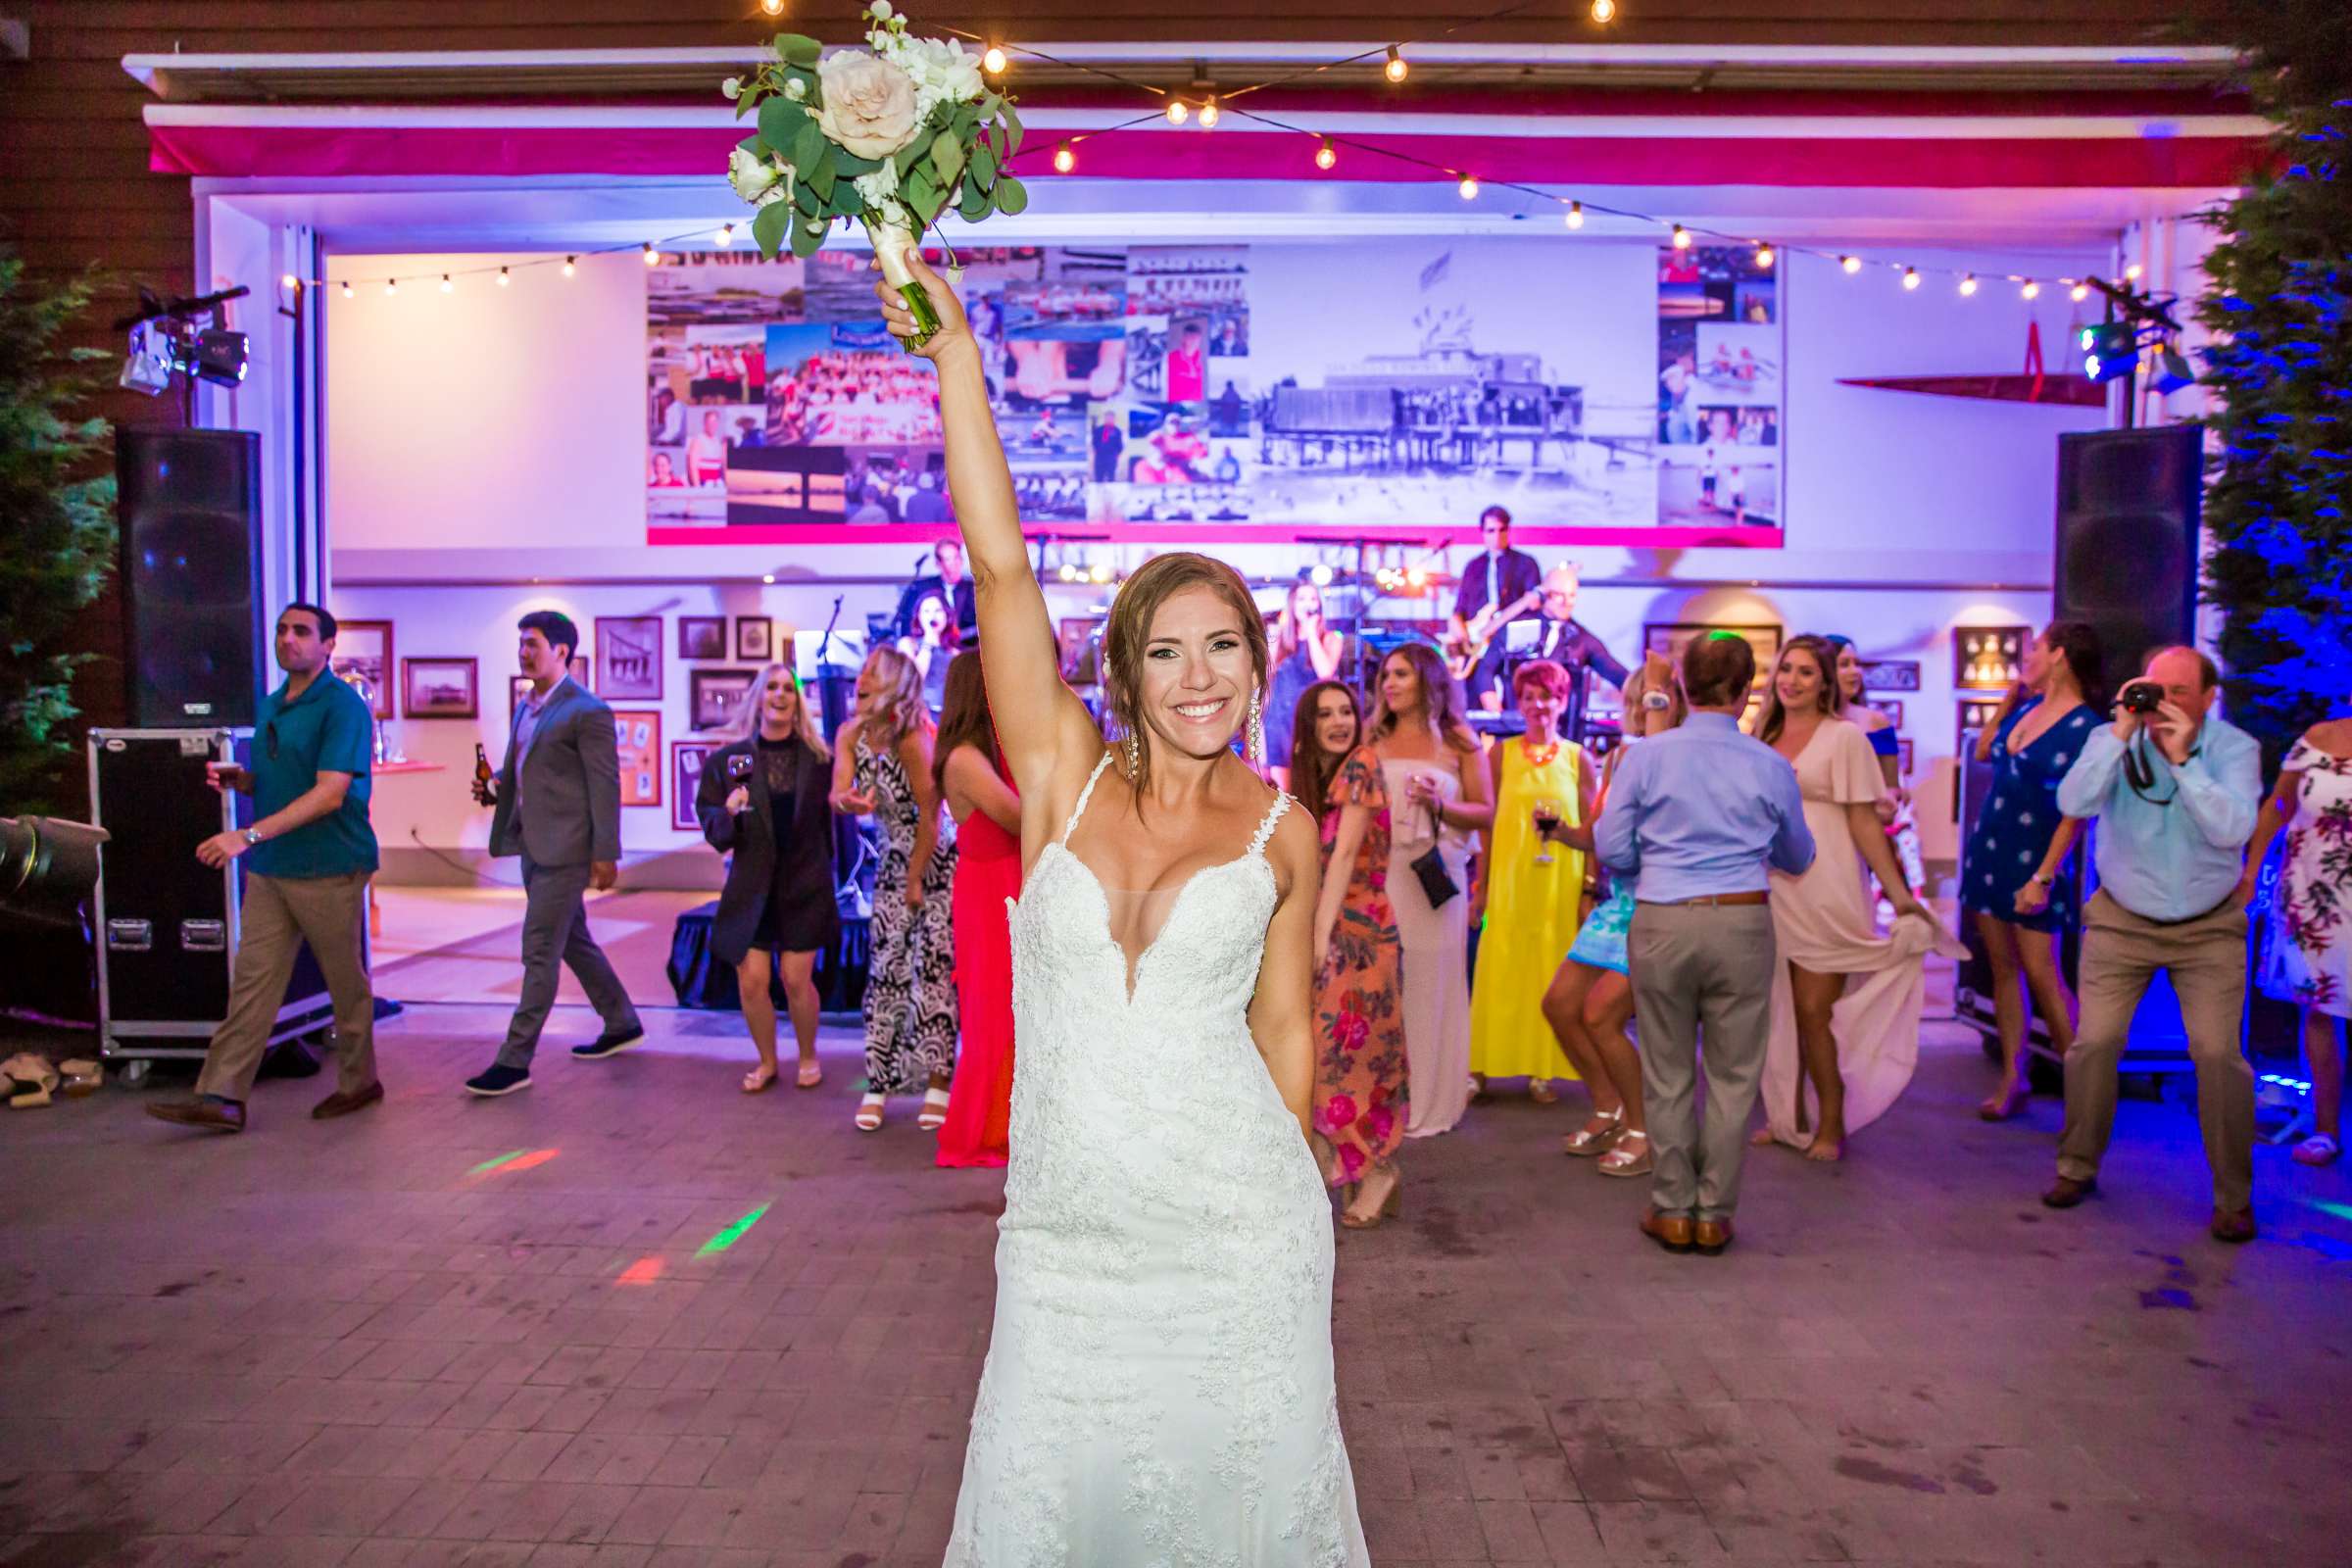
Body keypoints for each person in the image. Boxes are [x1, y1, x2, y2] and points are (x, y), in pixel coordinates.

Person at [876, 248, 1368, 1562]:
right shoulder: (1055, 784)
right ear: (1126, 671)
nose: (1197, 676)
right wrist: (958, 361)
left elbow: (1282, 1034)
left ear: (1260, 665)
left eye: (1223, 647)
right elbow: (1000, 573)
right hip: (1069, 1246)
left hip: (1242, 1240)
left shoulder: (1284, 831)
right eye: (1166, 650)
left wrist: (1304, 1182)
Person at [1596, 632, 1815, 1254]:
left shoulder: (1644, 757)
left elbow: (1612, 849)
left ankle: (1671, 1208)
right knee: (1733, 1073)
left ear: (1685, 688)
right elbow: (1797, 856)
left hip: (1663, 917)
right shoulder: (1770, 765)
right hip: (1743, 922)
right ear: (1748, 691)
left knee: (1666, 1069)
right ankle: (1713, 1213)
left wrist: (1653, 865)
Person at [2046, 647, 2262, 1243]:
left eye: (2179, 692)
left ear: (2208, 697)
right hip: (2121, 920)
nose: (2163, 702)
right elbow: (2073, 803)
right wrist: (2118, 734)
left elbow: (2233, 830)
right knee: (2095, 1044)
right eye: (2153, 688)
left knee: (2218, 1055)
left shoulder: (2234, 749)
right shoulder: (2112, 738)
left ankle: (2234, 1198)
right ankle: (2076, 1166)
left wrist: (2185, 759)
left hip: (2208, 926)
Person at [147, 604, 382, 1135]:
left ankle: (360, 1082)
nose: (288, 639)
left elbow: (328, 794)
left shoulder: (342, 707)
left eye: (301, 632)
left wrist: (246, 835)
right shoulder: (275, 703)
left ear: (328, 645)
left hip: (330, 865)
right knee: (252, 983)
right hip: (274, 868)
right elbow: (289, 781)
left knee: (345, 984)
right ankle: (221, 1096)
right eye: (282, 630)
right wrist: (243, 781)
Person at [1751, 635, 1946, 1161]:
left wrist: (1901, 894)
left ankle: (1832, 1122)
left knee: (1815, 1011)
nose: (1791, 680)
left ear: (1825, 684)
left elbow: (1864, 820)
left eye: (1806, 673)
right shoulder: (1762, 736)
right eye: (1785, 669)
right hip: (1770, 886)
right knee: (1777, 1008)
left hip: (1829, 884)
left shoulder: (1846, 739)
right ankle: (1783, 1113)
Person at [464, 612, 642, 1098]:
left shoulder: (588, 710)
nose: (523, 652)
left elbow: (604, 786)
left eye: (532, 644)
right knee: (572, 940)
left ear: (562, 651)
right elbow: (528, 771)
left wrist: (606, 853)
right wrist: (498, 789)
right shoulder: (528, 706)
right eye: (521, 643)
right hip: (532, 844)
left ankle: (514, 1059)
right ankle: (621, 1020)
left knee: (539, 948)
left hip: (566, 851)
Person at [1541, 653, 1685, 1177]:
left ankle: (1645, 1129)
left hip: (1657, 902)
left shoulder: (1674, 757)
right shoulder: (1621, 758)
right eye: (1629, 699)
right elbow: (1600, 837)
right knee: (1559, 1005)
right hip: (1617, 902)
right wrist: (1559, 832)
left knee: (1601, 1015)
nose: (1632, 709)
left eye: (1645, 700)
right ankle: (1608, 1106)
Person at [1960, 623, 2105, 1120]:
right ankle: (2012, 1076)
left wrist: (2044, 876)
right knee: (2003, 971)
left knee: (2045, 974)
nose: (2027, 657)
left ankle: (2086, 1098)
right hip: (1992, 851)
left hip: (2036, 861)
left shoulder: (2090, 727)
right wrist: (2008, 701)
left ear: (2060, 654)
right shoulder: (2026, 709)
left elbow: (2078, 813)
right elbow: (1983, 752)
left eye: (2036, 648)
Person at [1293, 678, 1410, 1229]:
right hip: (1327, 932)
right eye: (1326, 715)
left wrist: (1318, 938)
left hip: (1359, 941)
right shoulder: (1317, 781)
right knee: (1318, 1057)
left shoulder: (1362, 763)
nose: (1340, 722)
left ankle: (1379, 1170)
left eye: (1346, 711)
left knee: (1353, 1060)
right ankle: (1326, 1159)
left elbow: (1340, 862)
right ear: (1308, 727)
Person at [831, 644, 958, 1132]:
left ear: (894, 685)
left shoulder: (911, 737)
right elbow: (838, 794)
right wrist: (846, 802)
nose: (859, 679)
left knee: (932, 971)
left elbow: (932, 813)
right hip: (891, 856)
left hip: (933, 858)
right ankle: (880, 1084)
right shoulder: (851, 734)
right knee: (885, 974)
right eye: (861, 672)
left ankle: (936, 1084)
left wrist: (915, 878)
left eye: (871, 673)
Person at [1369, 641, 1494, 1139]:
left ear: (1427, 679)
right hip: (1384, 873)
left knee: (1433, 982)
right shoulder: (1372, 737)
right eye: (1384, 677)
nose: (1389, 685)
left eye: (1399, 674)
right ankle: (1384, 1098)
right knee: (1387, 984)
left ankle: (1432, 1097)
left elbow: (1486, 811)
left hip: (1437, 874)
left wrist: (1440, 806)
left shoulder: (1459, 741)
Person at [695, 662, 837, 1096]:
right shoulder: (732, 759)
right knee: (752, 981)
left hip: (803, 884)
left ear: (797, 702)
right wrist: (730, 812)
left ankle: (808, 1055)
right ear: (758, 697)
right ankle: (768, 1061)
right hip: (751, 887)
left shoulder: (818, 759)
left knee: (796, 980)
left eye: (788, 689)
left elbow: (832, 828)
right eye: (771, 687)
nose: (779, 695)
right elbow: (711, 823)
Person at [1468, 660, 1596, 1102]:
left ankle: (1544, 1070)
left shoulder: (1579, 758)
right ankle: (1483, 1065)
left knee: (1550, 969)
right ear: (1518, 702)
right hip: (1509, 875)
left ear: (1562, 701)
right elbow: (1486, 822)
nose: (1538, 705)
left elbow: (1594, 830)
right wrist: (1480, 885)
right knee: (1499, 965)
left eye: (1547, 696)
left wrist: (1589, 889)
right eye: (1529, 697)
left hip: (1560, 880)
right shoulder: (1500, 753)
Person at [2240, 712, 2352, 1167]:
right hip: (2312, 896)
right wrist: (2251, 873)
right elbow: (2278, 806)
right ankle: (2326, 1130)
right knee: (2320, 1009)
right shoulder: (2316, 738)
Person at [934, 650, 1021, 1169]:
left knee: (1014, 1014)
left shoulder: (987, 752)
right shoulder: (965, 759)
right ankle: (980, 1135)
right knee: (993, 1017)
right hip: (989, 895)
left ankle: (1007, 1126)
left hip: (1008, 888)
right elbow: (1018, 816)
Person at [1446, 506, 1543, 711]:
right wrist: (1464, 638)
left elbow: (1533, 603)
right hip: (1477, 644)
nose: (1497, 536)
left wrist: (1533, 600)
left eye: (1502, 530)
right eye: (1491, 530)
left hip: (1511, 644)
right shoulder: (1474, 566)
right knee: (1472, 699)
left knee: (1514, 693)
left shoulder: (1525, 564)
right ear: (1482, 532)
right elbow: (1459, 610)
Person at [1517, 564, 1629, 738]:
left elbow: (1618, 674)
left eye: (1572, 595)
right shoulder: (1519, 628)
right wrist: (1494, 708)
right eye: (1559, 595)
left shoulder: (1582, 639)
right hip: (1518, 731)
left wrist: (1645, 687)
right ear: (1544, 595)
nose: (1566, 602)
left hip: (1565, 734)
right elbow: (1486, 668)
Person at [1262, 577, 1347, 788]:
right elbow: (1264, 674)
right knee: (1285, 791)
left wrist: (1311, 632)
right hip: (1280, 720)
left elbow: (1325, 672)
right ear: (1292, 604)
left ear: (1319, 605)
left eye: (1312, 599)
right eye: (1301, 599)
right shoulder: (1279, 638)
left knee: (1314, 783)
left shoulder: (1331, 638)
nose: (1307, 603)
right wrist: (1275, 638)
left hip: (1312, 719)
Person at [892, 536, 980, 643]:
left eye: (956, 558)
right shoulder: (923, 588)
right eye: (947, 559)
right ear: (938, 564)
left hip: (965, 650)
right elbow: (907, 620)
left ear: (961, 560)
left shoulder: (974, 589)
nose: (953, 563)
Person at [898, 589, 958, 713]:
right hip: (919, 715)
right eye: (926, 611)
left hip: (948, 715)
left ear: (947, 615)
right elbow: (915, 679)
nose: (933, 616)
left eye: (938, 611)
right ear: (919, 617)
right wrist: (928, 640)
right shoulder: (908, 644)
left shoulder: (955, 653)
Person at [686, 409, 728, 487]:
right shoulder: (697, 440)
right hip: (704, 484)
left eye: (715, 421)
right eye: (710, 422)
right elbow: (693, 468)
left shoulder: (718, 441)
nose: (713, 424)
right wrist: (697, 488)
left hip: (718, 484)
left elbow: (723, 467)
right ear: (705, 423)